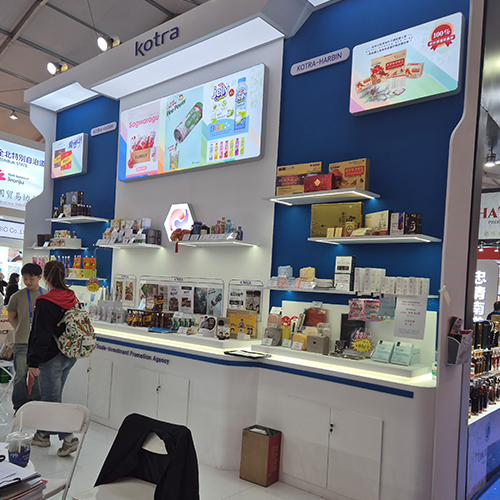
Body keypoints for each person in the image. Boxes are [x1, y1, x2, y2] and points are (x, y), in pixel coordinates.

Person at [28, 260, 79, 457]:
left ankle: (69, 438)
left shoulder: (45, 302)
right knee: (53, 397)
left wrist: (33, 360)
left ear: (45, 277)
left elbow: (41, 334)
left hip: (50, 358)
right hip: (68, 355)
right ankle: (42, 435)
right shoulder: (71, 297)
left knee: (51, 400)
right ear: (64, 276)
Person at [7, 263, 44, 412]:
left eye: (31, 278)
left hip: (40, 343)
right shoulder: (17, 296)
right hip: (21, 341)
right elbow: (11, 318)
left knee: (38, 376)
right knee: (20, 375)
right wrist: (21, 329)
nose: (28, 282)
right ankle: (19, 406)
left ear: (40, 277)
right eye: (25, 278)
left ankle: (35, 404)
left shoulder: (46, 295)